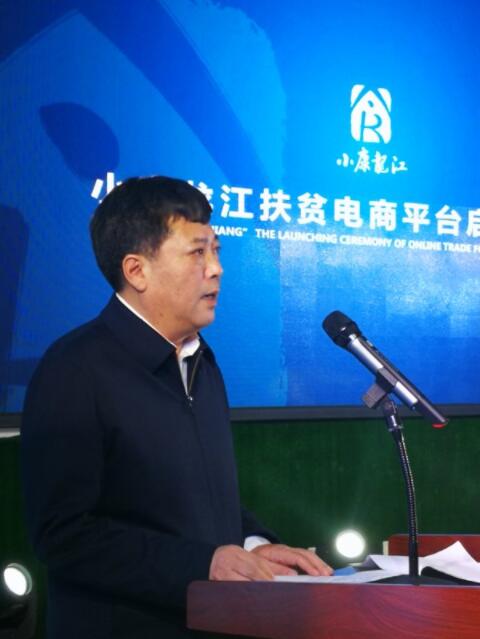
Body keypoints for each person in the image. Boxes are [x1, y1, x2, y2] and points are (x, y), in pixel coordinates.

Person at [21, 176, 331, 639]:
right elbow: (64, 535)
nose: (216, 269)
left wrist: (252, 545)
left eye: (216, 250)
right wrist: (202, 564)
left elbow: (198, 499)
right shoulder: (75, 369)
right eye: (197, 252)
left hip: (216, 622)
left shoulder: (202, 363)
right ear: (137, 271)